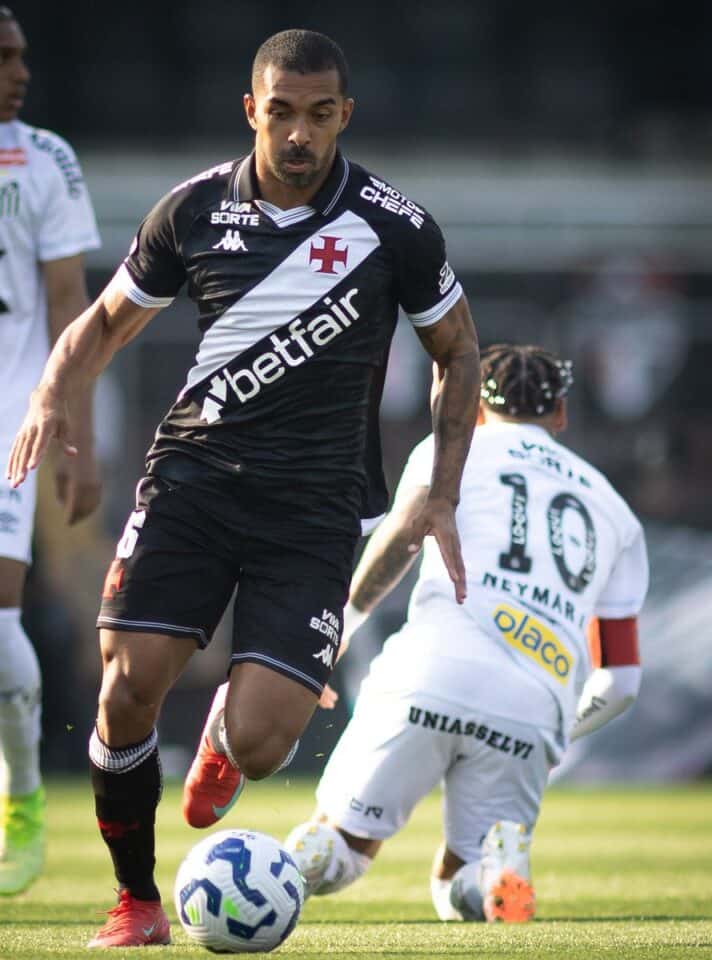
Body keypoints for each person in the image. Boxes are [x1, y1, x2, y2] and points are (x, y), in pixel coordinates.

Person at [6, 28, 479, 948]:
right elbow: (100, 325)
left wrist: (441, 493)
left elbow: (457, 351)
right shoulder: (192, 212)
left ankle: (225, 736)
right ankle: (137, 901)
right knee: (126, 692)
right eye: (283, 112)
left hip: (313, 510)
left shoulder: (394, 226)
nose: (300, 134)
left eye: (320, 114)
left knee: (265, 746)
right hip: (192, 484)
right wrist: (49, 397)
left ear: (344, 114)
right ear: (252, 109)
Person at [279, 343, 648, 923]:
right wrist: (556, 727)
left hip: (428, 674)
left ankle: (284, 870)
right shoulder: (618, 514)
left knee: (342, 847)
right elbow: (622, 681)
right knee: (459, 890)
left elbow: (402, 537)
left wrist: (340, 628)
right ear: (560, 415)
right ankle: (489, 875)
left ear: (474, 408)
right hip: (533, 704)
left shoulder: (449, 452)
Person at [0, 7, 101, 896]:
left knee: (1, 629)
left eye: (23, 55)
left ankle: (23, 792)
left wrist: (80, 437)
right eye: (3, 57)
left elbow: (72, 305)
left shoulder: (44, 159)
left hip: (9, 419)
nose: (20, 70)